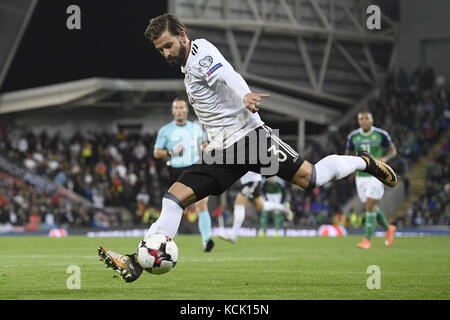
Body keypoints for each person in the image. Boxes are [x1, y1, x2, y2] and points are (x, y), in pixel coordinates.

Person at [98, 14, 398, 282]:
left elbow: (229, 76)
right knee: (174, 199)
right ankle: (136, 262)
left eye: (168, 45)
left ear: (182, 34)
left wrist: (245, 96)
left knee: (311, 178)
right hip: (222, 151)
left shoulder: (201, 53)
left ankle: (364, 162)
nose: (165, 53)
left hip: (252, 140)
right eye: (160, 49)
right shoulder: (187, 66)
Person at [153, 97, 214, 252]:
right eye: (176, 108)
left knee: (201, 204)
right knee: (174, 208)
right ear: (173, 111)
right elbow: (156, 152)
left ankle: (206, 241)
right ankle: (163, 240)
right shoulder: (165, 130)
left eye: (182, 108)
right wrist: (171, 152)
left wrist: (206, 148)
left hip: (194, 169)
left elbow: (204, 144)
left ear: (186, 110)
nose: (179, 110)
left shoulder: (196, 128)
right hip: (176, 171)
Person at [345, 111, 397, 249]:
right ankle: (388, 228)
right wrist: (351, 166)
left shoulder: (381, 134)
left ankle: (367, 240)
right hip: (361, 177)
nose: (364, 121)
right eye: (361, 118)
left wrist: (384, 159)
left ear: (372, 120)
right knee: (370, 206)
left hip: (376, 174)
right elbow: (347, 155)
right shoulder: (353, 137)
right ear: (359, 121)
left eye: (366, 118)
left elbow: (393, 151)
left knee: (369, 204)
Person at [220, 172, 292, 242]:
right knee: (261, 207)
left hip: (252, 180)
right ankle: (283, 207)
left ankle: (234, 235)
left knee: (239, 204)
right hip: (249, 181)